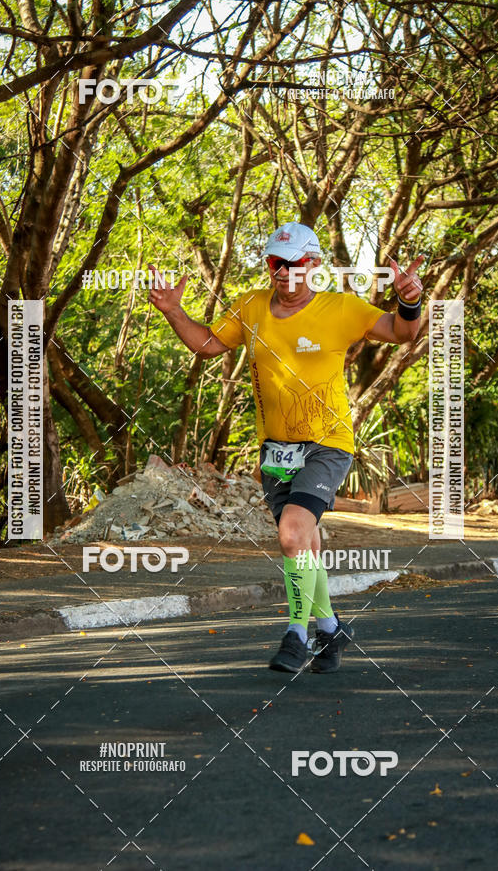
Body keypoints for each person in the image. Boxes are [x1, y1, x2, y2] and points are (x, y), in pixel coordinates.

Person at [149, 221, 423, 673]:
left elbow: (401, 333)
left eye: (292, 264)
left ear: (313, 264)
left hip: (327, 443)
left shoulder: (341, 308)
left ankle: (296, 635)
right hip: (276, 448)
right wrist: (174, 312)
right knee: (305, 547)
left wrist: (409, 300)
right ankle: (332, 629)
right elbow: (208, 345)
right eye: (275, 263)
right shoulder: (252, 306)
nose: (282, 273)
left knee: (291, 535)